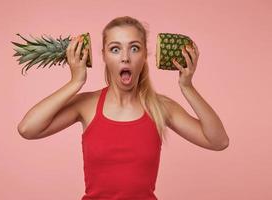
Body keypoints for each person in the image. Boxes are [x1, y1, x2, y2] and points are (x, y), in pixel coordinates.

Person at [17, 16, 229, 200]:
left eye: (134, 48)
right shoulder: (87, 104)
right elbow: (28, 128)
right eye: (115, 49)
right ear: (105, 56)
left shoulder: (160, 106)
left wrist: (187, 86)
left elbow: (218, 141)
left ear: (145, 55)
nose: (125, 57)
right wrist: (75, 82)